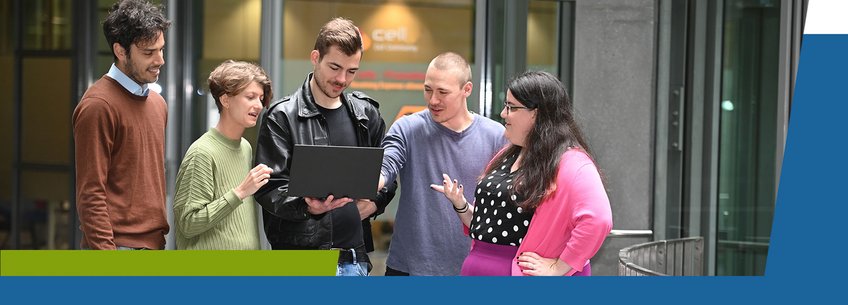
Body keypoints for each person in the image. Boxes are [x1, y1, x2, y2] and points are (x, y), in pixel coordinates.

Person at [253, 17, 396, 276]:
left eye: (351, 71)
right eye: (334, 67)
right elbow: (268, 188)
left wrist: (374, 204)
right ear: (315, 57)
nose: (342, 79)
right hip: (299, 260)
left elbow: (387, 175)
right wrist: (307, 206)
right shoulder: (282, 116)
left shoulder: (366, 115)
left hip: (354, 259)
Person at [433, 71, 613, 276]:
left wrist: (559, 267)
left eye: (511, 107)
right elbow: (492, 224)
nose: (503, 113)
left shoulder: (571, 161)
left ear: (536, 113)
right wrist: (461, 205)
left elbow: (599, 219)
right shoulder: (508, 154)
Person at [378, 52, 508, 276]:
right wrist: (371, 180)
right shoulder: (407, 128)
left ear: (466, 89)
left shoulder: (497, 136)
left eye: (442, 92)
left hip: (472, 270)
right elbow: (386, 165)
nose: (433, 100)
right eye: (428, 89)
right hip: (408, 270)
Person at [72, 0, 171, 250]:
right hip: (117, 248)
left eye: (161, 49)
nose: (160, 60)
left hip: (154, 245)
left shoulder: (158, 103)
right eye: (148, 52)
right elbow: (91, 194)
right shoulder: (98, 105)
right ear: (120, 51)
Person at [172, 60, 274, 250]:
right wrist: (241, 192)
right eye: (250, 96)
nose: (259, 105)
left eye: (260, 98)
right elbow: (188, 223)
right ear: (225, 100)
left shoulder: (245, 147)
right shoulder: (202, 153)